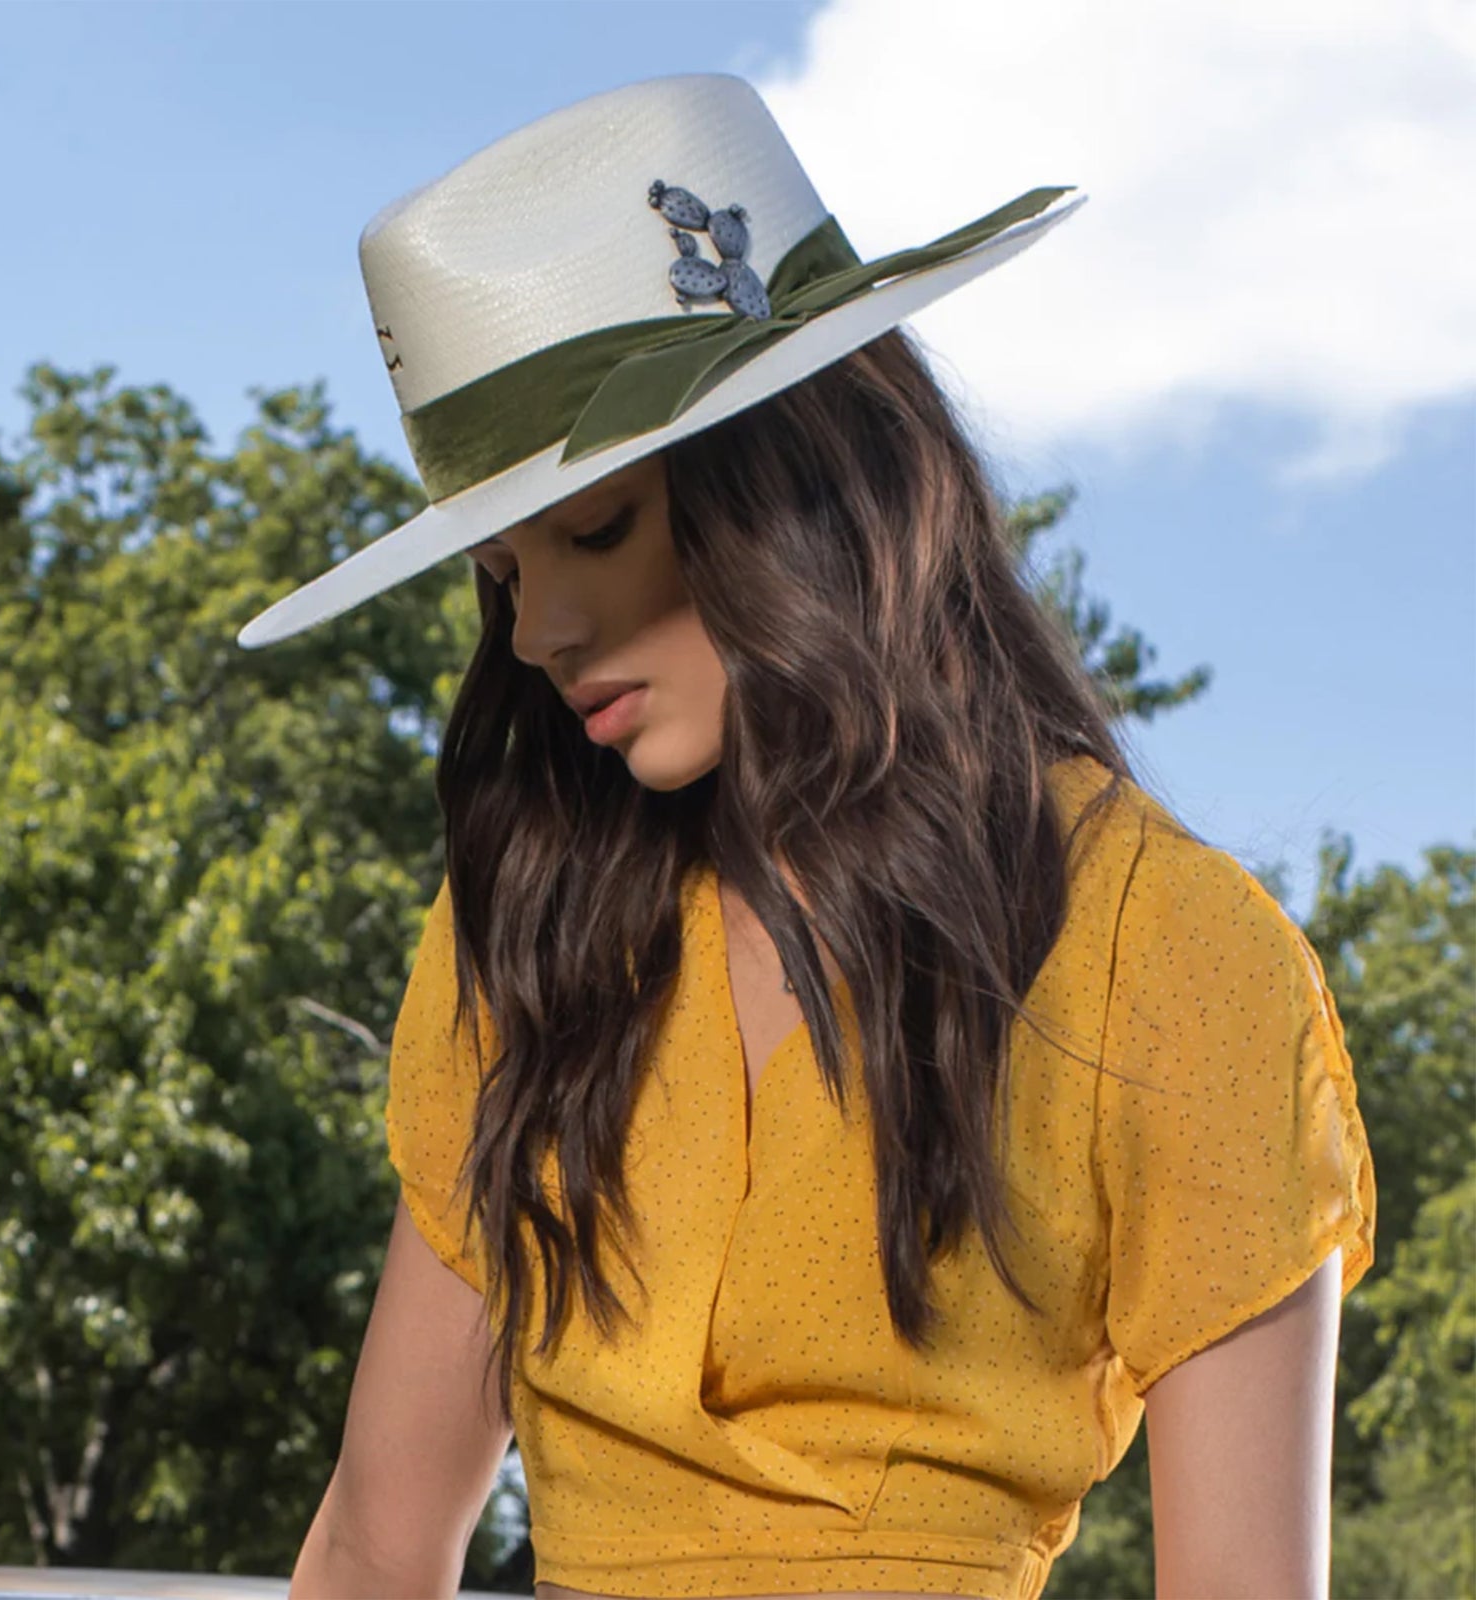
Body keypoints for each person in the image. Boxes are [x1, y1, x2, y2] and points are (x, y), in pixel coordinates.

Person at [248, 74, 1377, 1600]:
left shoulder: (1176, 959)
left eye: (598, 531)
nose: (543, 631)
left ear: (808, 487)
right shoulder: (529, 921)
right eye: (506, 572)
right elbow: (378, 1544)